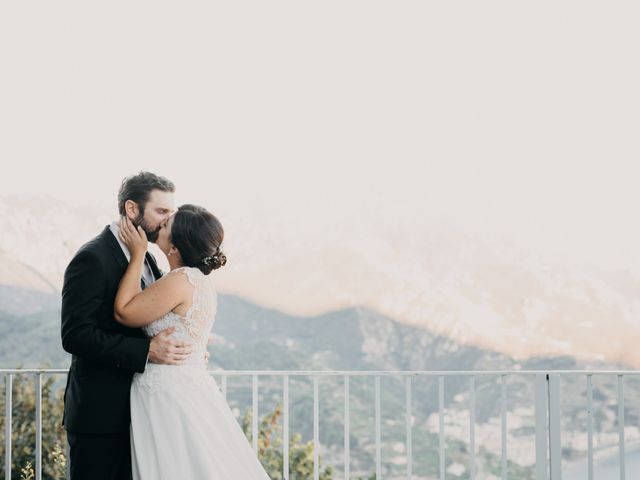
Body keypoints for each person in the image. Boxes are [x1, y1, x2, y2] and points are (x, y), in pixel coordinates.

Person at [114, 204, 271, 479]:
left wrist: (138, 254)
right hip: (186, 386)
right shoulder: (201, 281)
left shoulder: (181, 279)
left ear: (174, 247)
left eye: (165, 226)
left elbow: (124, 312)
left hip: (168, 396)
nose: (158, 225)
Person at [61, 172, 196, 480]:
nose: (167, 222)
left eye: (171, 213)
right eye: (161, 212)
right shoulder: (92, 258)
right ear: (132, 209)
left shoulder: (146, 258)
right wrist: (146, 350)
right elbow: (75, 335)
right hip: (101, 415)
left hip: (143, 412)